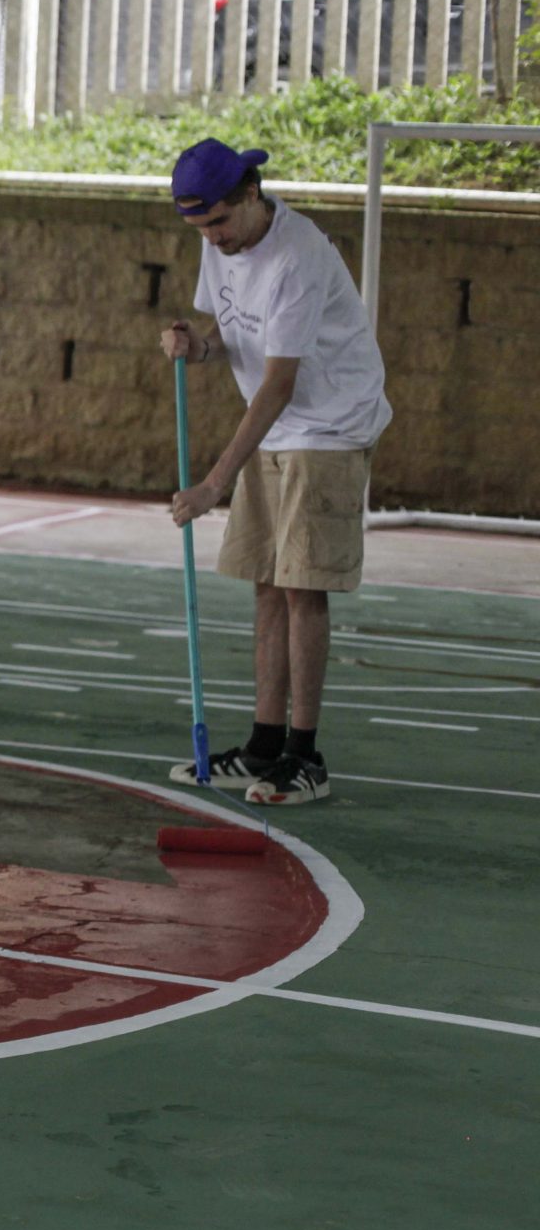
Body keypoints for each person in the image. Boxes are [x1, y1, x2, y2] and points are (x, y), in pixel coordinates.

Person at [162, 139, 390, 805]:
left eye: (219, 225)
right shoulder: (221, 241)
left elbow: (278, 384)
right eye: (200, 229)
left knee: (301, 587)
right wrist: (197, 346)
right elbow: (231, 332)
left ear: (251, 196)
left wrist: (214, 482)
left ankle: (304, 756)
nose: (212, 239)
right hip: (279, 427)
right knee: (267, 583)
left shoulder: (298, 256)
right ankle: (263, 745)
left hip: (330, 424)